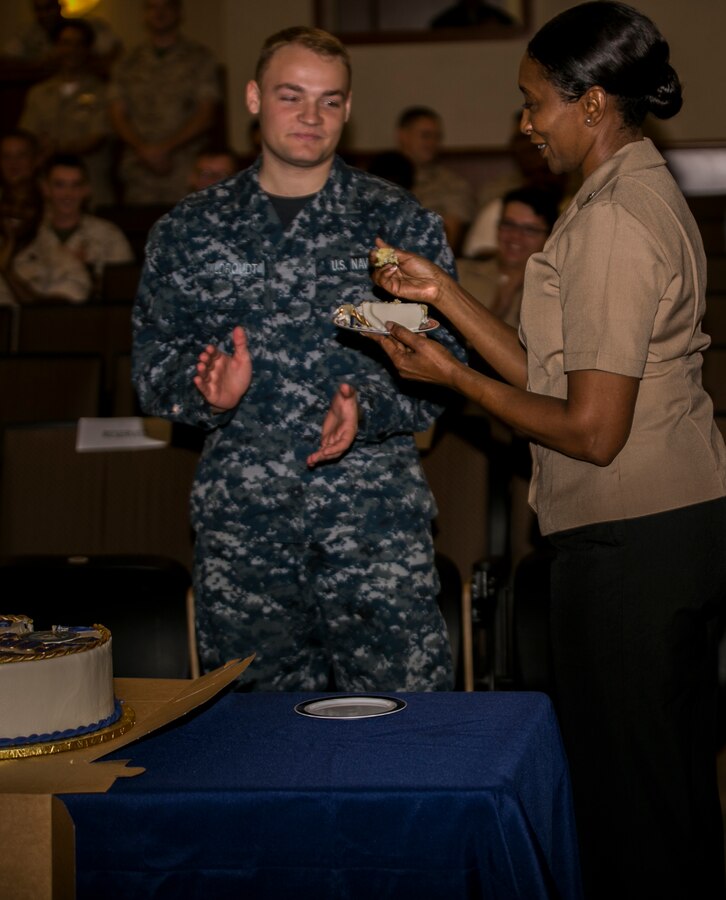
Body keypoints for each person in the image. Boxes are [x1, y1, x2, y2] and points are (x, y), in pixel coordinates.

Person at [368, 4, 726, 898]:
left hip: (632, 539)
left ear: (594, 102)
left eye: (535, 103)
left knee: (631, 806)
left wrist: (452, 382)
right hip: (663, 527)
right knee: (666, 788)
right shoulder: (619, 191)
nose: (525, 122)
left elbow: (592, 431)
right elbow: (550, 371)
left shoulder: (613, 219)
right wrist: (446, 294)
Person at [132, 26, 463, 692]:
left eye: (330, 101)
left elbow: (441, 365)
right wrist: (207, 395)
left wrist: (364, 407)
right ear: (254, 98)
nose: (312, 117)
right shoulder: (192, 230)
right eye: (292, 96)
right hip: (246, 533)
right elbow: (150, 373)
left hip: (373, 526)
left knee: (404, 735)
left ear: (347, 109)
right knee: (259, 750)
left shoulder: (393, 225)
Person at [108, 0, 221, 205]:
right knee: (141, 230)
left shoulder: (199, 57)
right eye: (152, 7)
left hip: (184, 167)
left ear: (178, 13)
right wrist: (143, 150)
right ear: (144, 14)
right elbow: (116, 113)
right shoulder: (127, 61)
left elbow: (206, 113)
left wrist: (164, 149)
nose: (159, 13)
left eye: (166, 7)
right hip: (139, 167)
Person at [19, 18, 114, 208]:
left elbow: (97, 137)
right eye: (65, 43)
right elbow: (27, 138)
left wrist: (58, 147)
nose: (72, 50)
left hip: (91, 192)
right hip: (48, 195)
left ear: (88, 49)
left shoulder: (103, 92)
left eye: (79, 44)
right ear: (56, 47)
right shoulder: (39, 93)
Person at [35, 153, 133, 289]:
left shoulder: (109, 235)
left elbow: (123, 289)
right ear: (45, 188)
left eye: (75, 185)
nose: (67, 194)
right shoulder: (29, 234)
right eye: (59, 185)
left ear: (86, 190)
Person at [396, 106, 475, 254]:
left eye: (437, 137)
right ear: (403, 136)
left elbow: (448, 241)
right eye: (425, 136)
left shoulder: (453, 184)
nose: (432, 143)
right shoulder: (378, 175)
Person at [2, 0, 121, 74]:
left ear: (59, 7)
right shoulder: (28, 33)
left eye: (48, 8)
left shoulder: (84, 27)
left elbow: (114, 51)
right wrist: (38, 64)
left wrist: (87, 62)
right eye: (39, 10)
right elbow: (6, 59)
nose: (44, 14)